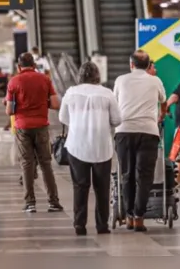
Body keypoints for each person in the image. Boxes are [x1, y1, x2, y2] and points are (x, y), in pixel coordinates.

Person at [59, 62, 122, 236]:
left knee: (80, 186)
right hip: (101, 146)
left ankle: (79, 225)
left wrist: (80, 123)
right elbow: (117, 120)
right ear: (97, 75)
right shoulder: (107, 93)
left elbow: (62, 117)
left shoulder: (71, 93)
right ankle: (102, 226)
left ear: (80, 75)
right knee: (102, 188)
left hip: (77, 146)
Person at [113, 50, 166, 232]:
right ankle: (139, 217)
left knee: (127, 175)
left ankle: (128, 215)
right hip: (148, 132)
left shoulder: (121, 80)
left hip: (124, 131)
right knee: (144, 176)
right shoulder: (155, 81)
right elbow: (164, 101)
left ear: (131, 64)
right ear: (148, 65)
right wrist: (161, 115)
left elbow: (115, 103)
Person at [6, 53, 63, 213]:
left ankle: (30, 203)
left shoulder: (14, 81)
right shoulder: (44, 79)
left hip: (22, 127)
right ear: (34, 65)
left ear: (19, 66)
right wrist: (41, 104)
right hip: (41, 126)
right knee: (46, 164)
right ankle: (53, 202)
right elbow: (55, 104)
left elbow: (9, 110)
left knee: (27, 164)